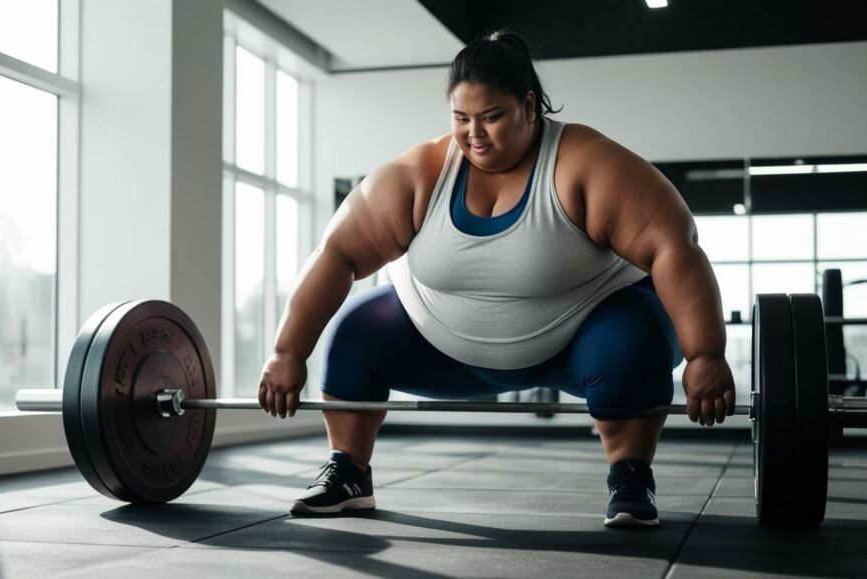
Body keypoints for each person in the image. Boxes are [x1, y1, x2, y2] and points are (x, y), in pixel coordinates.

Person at [256, 30, 735, 528]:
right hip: (443, 347)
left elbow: (674, 249)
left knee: (634, 337)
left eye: (491, 117)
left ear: (529, 106)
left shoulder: (584, 164)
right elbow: (336, 254)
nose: (474, 134)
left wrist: (706, 355)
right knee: (356, 331)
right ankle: (348, 472)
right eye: (461, 119)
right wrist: (287, 352)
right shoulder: (421, 173)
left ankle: (631, 475)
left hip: (578, 344)